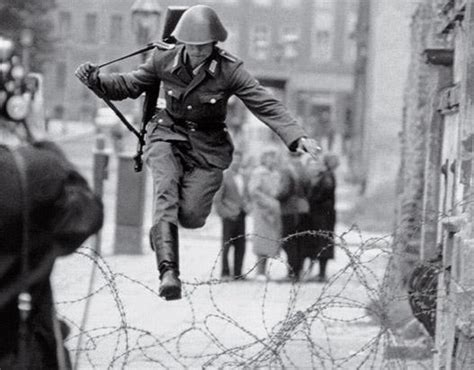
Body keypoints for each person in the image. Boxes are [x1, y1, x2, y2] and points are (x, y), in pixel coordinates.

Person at [75, 4, 321, 300]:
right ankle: (168, 272)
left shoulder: (230, 70)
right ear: (182, 42)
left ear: (215, 44)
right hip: (166, 134)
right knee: (165, 189)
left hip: (208, 147)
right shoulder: (163, 58)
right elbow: (129, 84)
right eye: (193, 46)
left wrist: (297, 136)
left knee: (191, 216)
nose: (198, 52)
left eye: (205, 47)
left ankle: (162, 231)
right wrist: (96, 80)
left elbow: (264, 103)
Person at [0, 35, 104, 370]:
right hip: (16, 343)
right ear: (16, 101)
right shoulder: (34, 170)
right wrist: (42, 138)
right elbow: (86, 215)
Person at [214, 150, 249, 280]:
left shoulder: (244, 176)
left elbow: (246, 195)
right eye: (235, 159)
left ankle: (238, 272)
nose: (237, 162)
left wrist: (247, 207)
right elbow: (217, 199)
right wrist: (225, 213)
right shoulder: (223, 176)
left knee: (241, 245)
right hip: (228, 216)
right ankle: (225, 272)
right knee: (226, 245)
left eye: (239, 159)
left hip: (241, 214)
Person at [248, 148, 282, 281]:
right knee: (261, 239)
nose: (272, 160)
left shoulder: (275, 173)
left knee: (270, 241)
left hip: (274, 210)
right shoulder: (258, 173)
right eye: (269, 157)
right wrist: (267, 201)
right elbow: (253, 191)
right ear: (264, 159)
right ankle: (259, 271)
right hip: (262, 210)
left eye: (274, 157)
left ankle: (265, 270)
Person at [304, 154, 339, 282]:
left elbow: (323, 193)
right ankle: (319, 272)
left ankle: (321, 273)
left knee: (322, 242)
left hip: (323, 214)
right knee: (320, 242)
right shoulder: (326, 176)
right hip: (321, 214)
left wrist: (311, 200)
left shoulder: (326, 176)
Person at [277, 151, 311, 281]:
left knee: (289, 241)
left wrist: (276, 196)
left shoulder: (287, 171)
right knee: (300, 241)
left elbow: (284, 191)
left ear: (289, 157)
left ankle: (291, 272)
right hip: (303, 208)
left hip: (289, 209)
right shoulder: (304, 170)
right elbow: (308, 189)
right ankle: (299, 271)